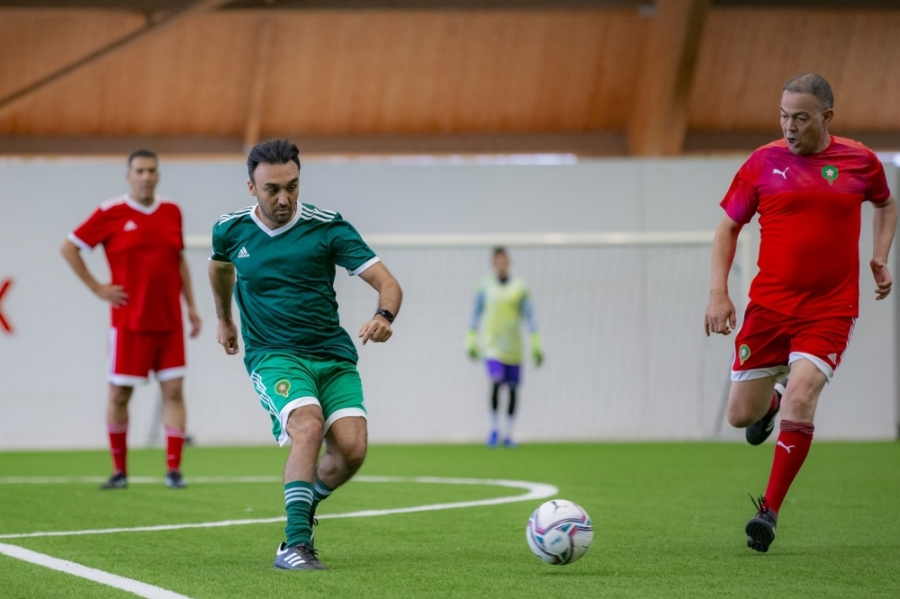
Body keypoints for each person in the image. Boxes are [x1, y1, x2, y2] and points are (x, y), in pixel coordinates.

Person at [705, 73, 896, 553]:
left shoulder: (860, 161)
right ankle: (769, 406)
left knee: (802, 394)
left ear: (827, 117)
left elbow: (886, 203)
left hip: (829, 310)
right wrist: (718, 293)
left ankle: (767, 512)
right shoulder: (762, 163)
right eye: (784, 116)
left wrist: (880, 256)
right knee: (739, 415)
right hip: (769, 308)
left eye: (801, 118)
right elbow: (727, 228)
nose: (789, 127)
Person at [208, 139, 402, 571]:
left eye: (292, 186)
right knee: (307, 425)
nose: (284, 198)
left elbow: (388, 283)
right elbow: (220, 267)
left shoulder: (328, 227)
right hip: (273, 354)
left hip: (332, 356)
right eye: (272, 189)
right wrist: (224, 319)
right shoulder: (229, 230)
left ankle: (303, 505)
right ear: (251, 187)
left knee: (352, 450)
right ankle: (294, 544)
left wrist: (384, 315)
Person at [61, 149, 202, 490]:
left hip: (169, 321)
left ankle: (173, 471)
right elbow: (69, 247)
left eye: (151, 170)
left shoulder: (172, 211)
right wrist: (97, 287)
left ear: (158, 175)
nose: (146, 176)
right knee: (119, 395)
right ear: (129, 176)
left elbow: (179, 259)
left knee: (174, 391)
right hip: (129, 323)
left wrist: (191, 306)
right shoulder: (110, 212)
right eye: (139, 171)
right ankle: (119, 471)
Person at [467, 247, 543, 447]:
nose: (501, 265)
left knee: (513, 389)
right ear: (494, 264)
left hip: (514, 348)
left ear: (508, 262)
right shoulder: (484, 287)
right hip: (492, 347)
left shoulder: (520, 287)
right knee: (495, 381)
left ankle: (508, 433)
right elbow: (475, 312)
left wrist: (535, 340)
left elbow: (530, 315)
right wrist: (471, 336)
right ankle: (494, 429)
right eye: (498, 261)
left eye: (504, 261)